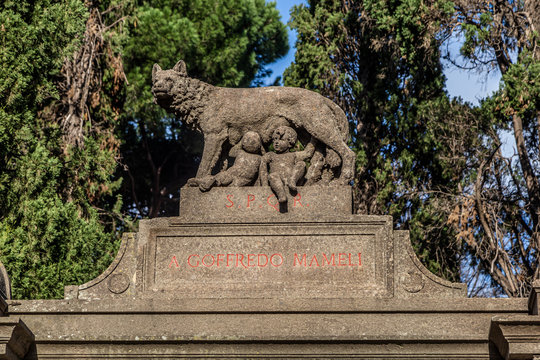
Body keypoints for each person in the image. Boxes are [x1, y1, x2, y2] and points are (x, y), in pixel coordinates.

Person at [194, 131, 263, 191]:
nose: (251, 141)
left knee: (223, 177)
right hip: (242, 179)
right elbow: (261, 173)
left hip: (234, 174)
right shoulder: (259, 158)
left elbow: (231, 152)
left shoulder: (240, 153)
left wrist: (239, 143)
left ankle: (213, 181)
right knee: (226, 178)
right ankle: (211, 181)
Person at [260, 126, 314, 203]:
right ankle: (281, 194)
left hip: (293, 180)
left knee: (301, 164)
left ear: (290, 143)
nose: (276, 142)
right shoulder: (271, 155)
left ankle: (292, 180)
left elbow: (308, 153)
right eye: (274, 139)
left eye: (281, 139)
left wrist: (314, 140)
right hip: (278, 182)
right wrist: (264, 186)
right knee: (272, 176)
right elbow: (263, 165)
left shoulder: (293, 155)